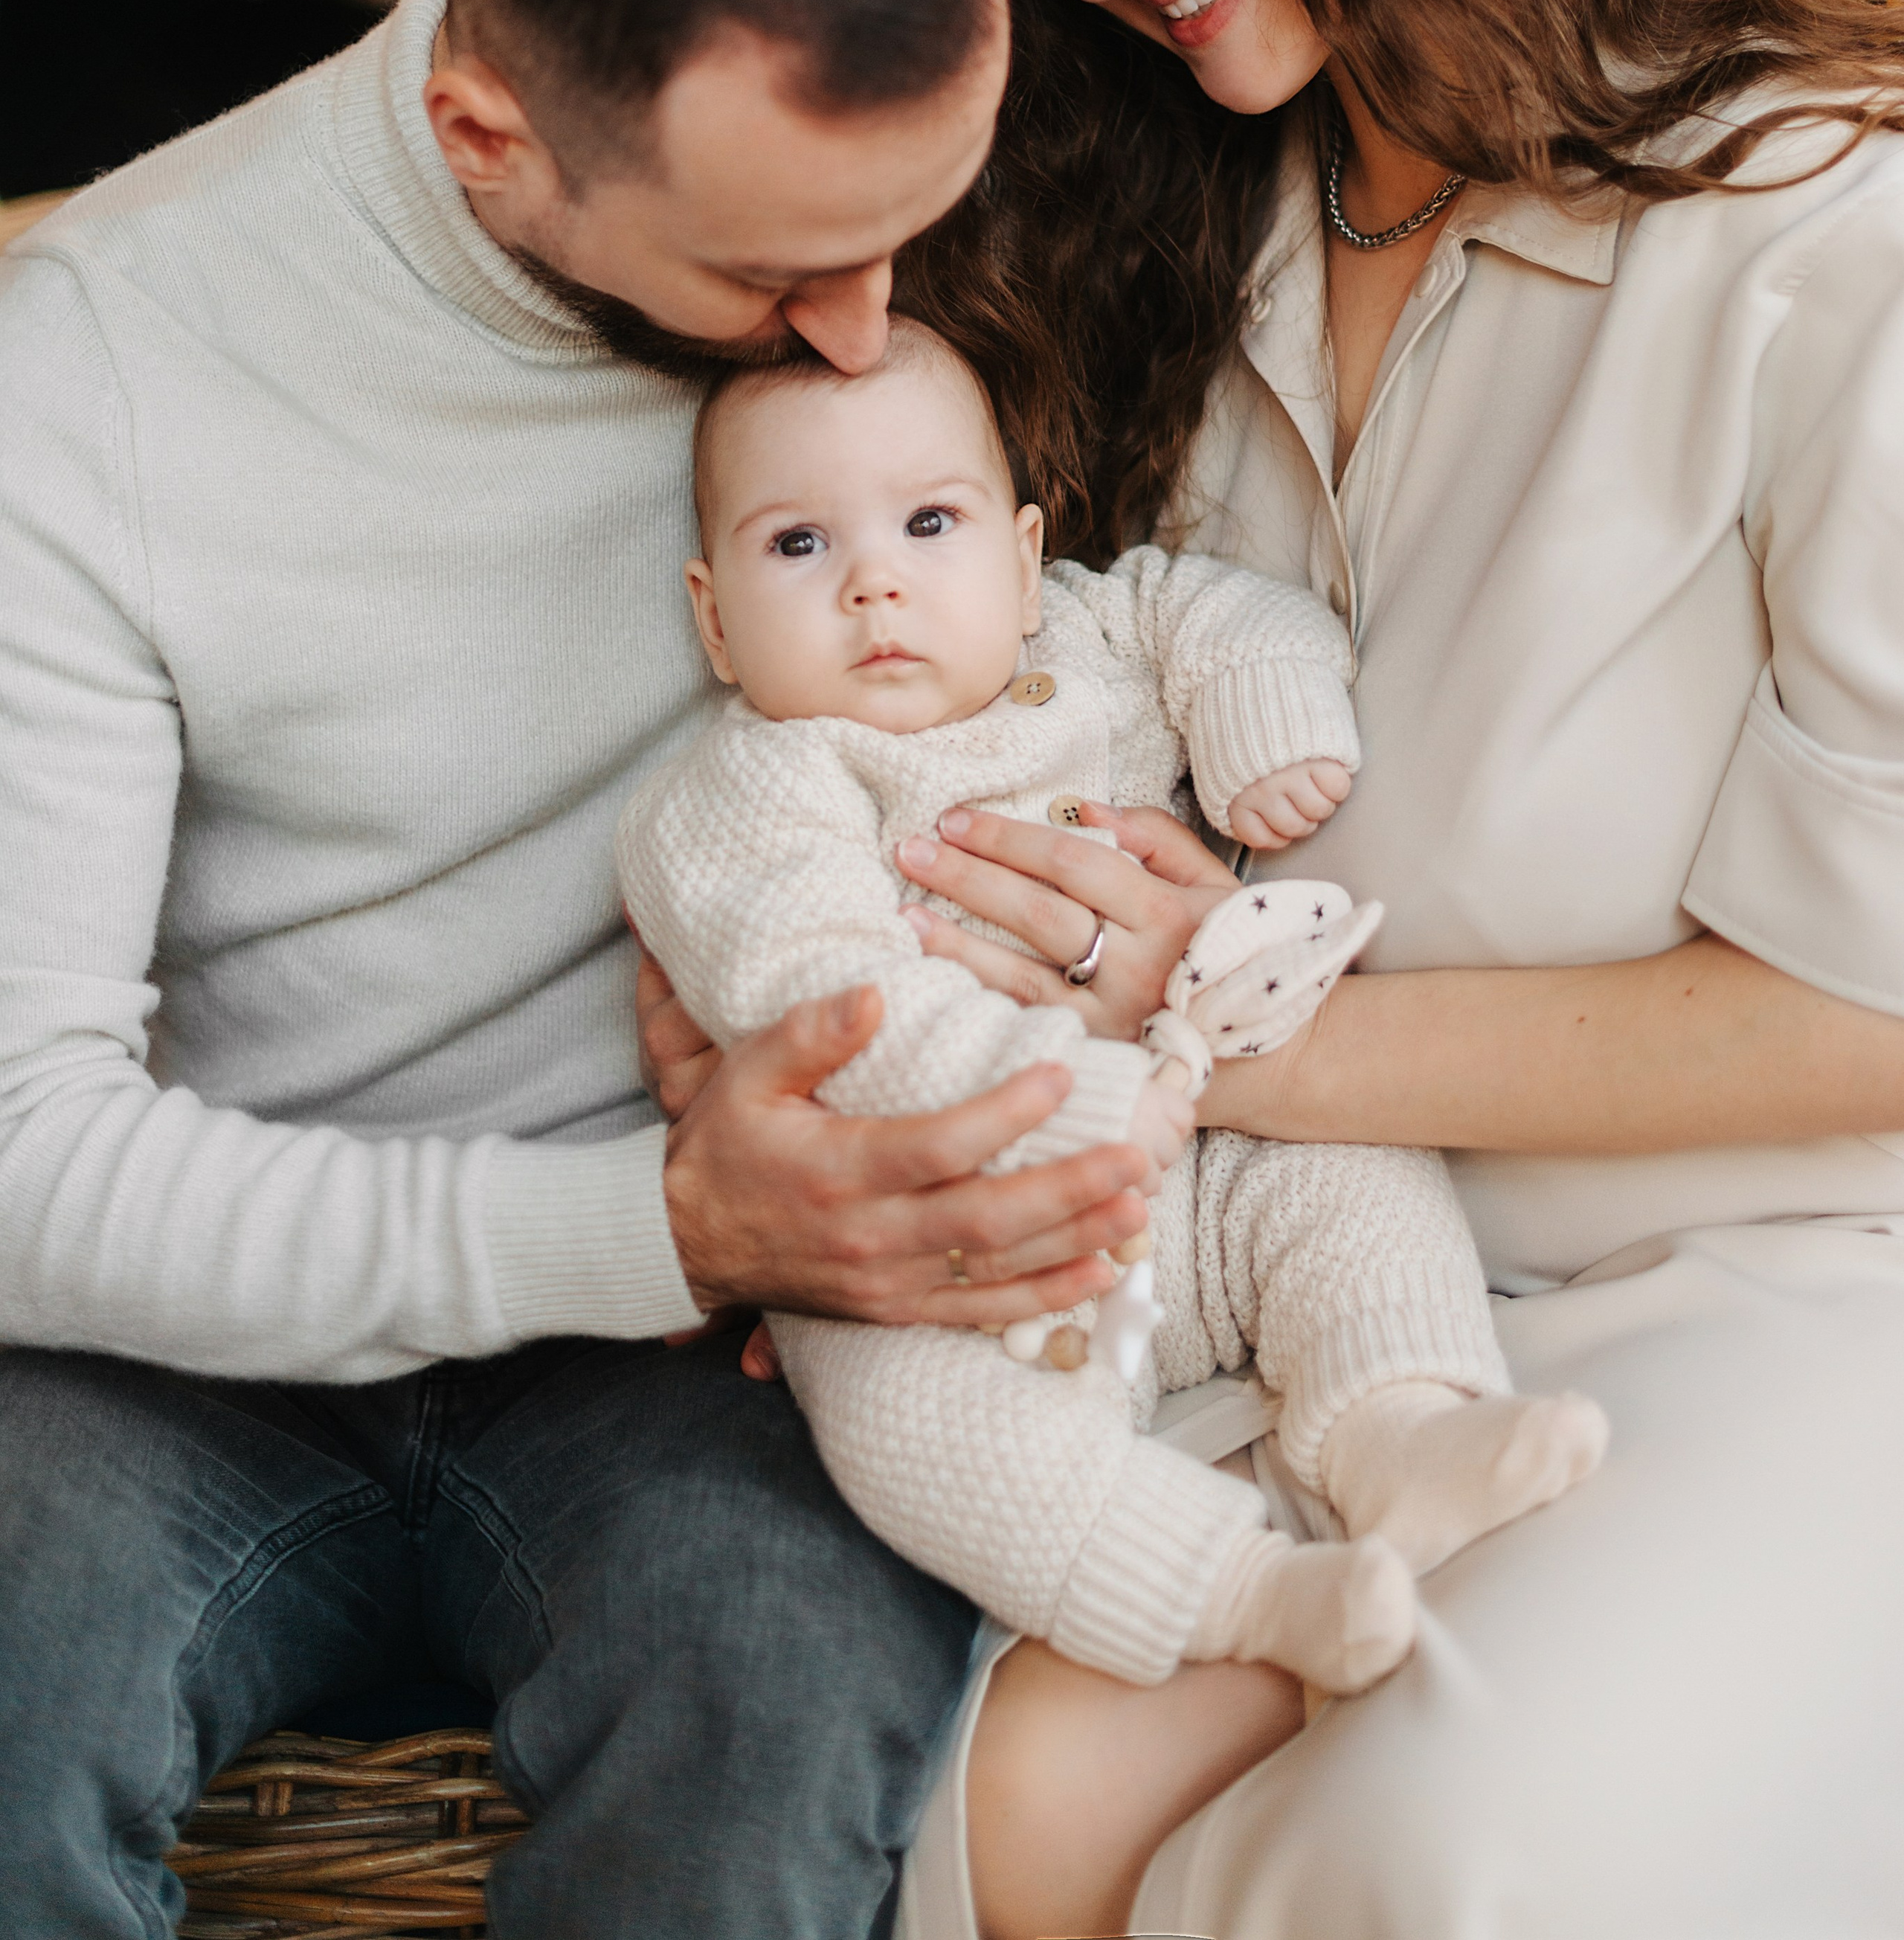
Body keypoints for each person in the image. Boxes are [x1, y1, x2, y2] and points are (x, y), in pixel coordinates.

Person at [820, 0, 1904, 1938]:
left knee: (1452, 1865)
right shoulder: (1190, 224)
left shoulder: (1824, 236)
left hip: (1784, 1297)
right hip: (1273, 1306)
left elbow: (1874, 997)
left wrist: (1235, 1018)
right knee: (913, 1849)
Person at [0, 0, 1165, 1940]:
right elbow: (20, 1149)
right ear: (485, 138)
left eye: (910, 219)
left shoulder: (896, 181)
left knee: (774, 1718)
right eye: (772, 275)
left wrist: (1164, 877)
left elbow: (1158, 645)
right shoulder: (96, 378)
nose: (868, 336)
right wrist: (661, 1222)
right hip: (182, 1343)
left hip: (724, 1372)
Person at [620, 320, 1609, 1696]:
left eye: (927, 523)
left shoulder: (1091, 630)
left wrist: (1268, 709)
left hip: (1211, 1167)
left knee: (1354, 1169)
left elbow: (1222, 609)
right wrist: (1067, 1096)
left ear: (1025, 561)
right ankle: (1248, 1589)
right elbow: (835, 1007)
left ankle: (1402, 1429)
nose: (874, 586)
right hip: (965, 1257)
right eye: (799, 546)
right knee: (915, 1427)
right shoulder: (749, 795)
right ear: (714, 616)